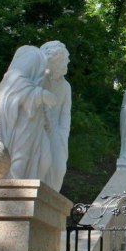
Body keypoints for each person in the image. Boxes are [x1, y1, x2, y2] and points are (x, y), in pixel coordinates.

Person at [0, 45, 58, 183]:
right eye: (63, 62)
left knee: (44, 160)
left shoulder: (44, 71)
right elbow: (12, 81)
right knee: (20, 156)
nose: (64, 67)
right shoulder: (34, 56)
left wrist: (46, 118)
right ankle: (14, 193)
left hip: (35, 119)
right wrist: (41, 95)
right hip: (22, 118)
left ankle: (34, 196)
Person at [39, 41, 71, 191]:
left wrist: (63, 135)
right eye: (63, 60)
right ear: (51, 61)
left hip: (56, 133)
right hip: (37, 130)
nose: (67, 62)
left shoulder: (66, 86)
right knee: (40, 166)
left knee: (58, 169)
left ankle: (51, 208)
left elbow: (66, 115)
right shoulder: (37, 79)